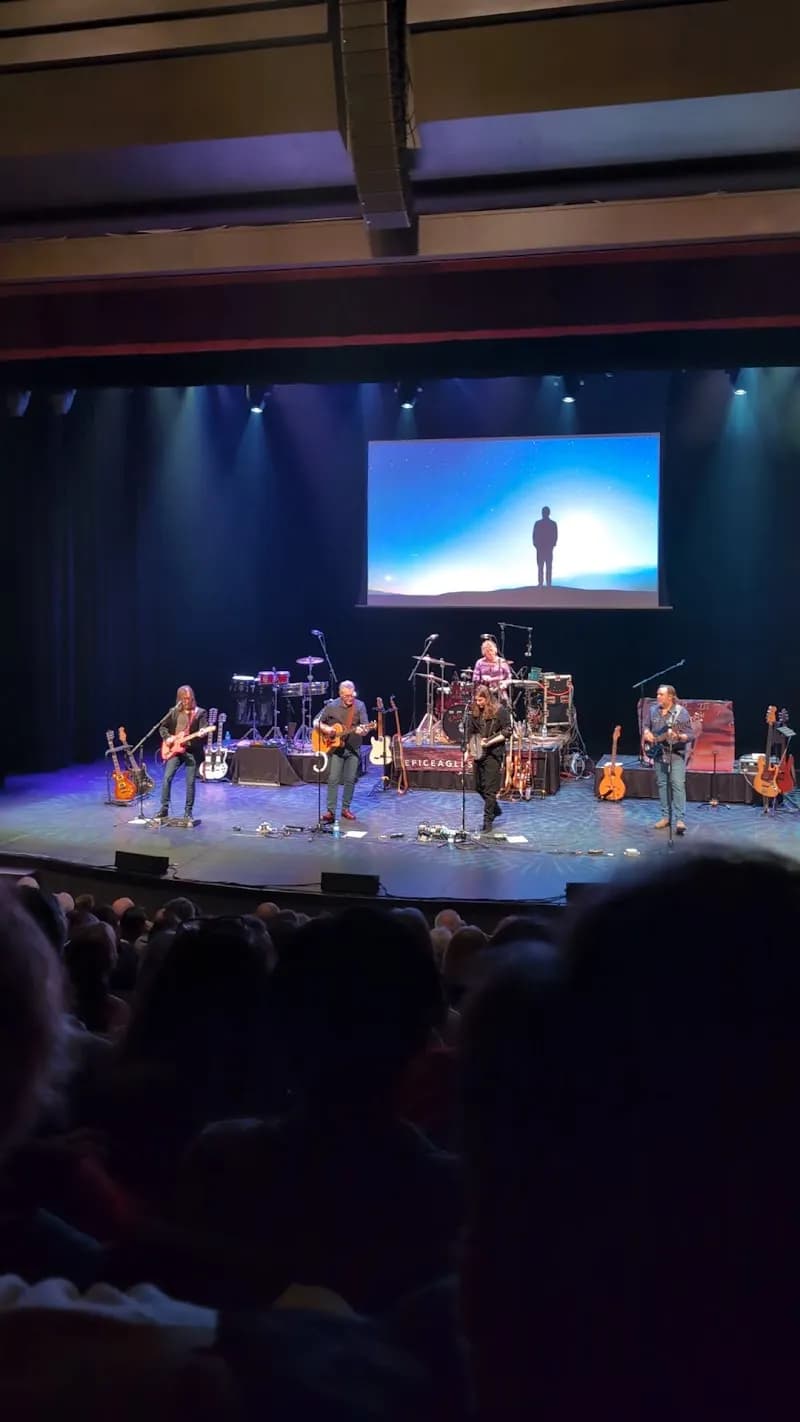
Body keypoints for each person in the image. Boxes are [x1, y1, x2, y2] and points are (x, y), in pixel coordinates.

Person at [314, 680, 371, 823]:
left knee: (350, 779)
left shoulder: (360, 706)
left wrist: (362, 731)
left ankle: (346, 809)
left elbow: (365, 727)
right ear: (340, 694)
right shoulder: (332, 706)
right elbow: (316, 722)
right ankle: (331, 811)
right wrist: (327, 729)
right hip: (336, 748)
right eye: (346, 696)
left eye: (352, 695)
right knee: (333, 779)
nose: (350, 698)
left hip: (353, 748)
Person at [642, 682, 693, 833]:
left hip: (675, 754)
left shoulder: (681, 713)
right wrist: (646, 733)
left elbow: (690, 734)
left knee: (677, 785)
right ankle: (665, 817)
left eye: (661, 694)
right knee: (662, 784)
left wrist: (679, 736)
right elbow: (645, 726)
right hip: (658, 753)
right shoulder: (652, 710)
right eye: (657, 694)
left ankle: (679, 820)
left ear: (670, 697)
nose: (657, 697)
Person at [156, 685, 209, 825]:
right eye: (184, 698)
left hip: (192, 751)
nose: (187, 701)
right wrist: (167, 738)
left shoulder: (200, 712)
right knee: (167, 777)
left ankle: (188, 812)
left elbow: (204, 727)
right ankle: (164, 809)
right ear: (179, 699)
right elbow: (162, 727)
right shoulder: (173, 712)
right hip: (174, 749)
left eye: (189, 698)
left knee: (190, 782)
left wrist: (202, 732)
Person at [466, 685, 512, 832]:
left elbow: (507, 731)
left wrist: (490, 741)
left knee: (490, 790)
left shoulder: (500, 711)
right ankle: (495, 809)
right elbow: (471, 732)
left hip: (493, 753)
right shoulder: (474, 712)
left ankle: (488, 822)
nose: (478, 703)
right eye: (476, 700)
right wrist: (469, 750)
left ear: (487, 698)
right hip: (479, 753)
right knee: (478, 787)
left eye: (480, 700)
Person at [532, 505, 557, 587]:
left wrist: (552, 545)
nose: (544, 513)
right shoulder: (538, 523)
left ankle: (548, 584)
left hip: (547, 548)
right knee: (541, 567)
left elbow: (555, 535)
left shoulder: (552, 524)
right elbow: (534, 535)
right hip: (541, 548)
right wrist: (536, 545)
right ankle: (541, 583)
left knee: (547, 566)